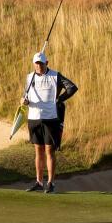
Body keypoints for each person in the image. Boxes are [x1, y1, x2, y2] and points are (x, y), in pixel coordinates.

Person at [22, 52, 78, 194]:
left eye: (41, 63)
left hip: (50, 119)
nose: (38, 66)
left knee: (49, 151)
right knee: (38, 151)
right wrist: (24, 101)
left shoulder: (55, 76)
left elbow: (72, 87)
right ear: (34, 63)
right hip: (34, 118)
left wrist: (59, 99)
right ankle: (39, 182)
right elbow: (26, 96)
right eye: (36, 63)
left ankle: (51, 183)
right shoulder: (30, 77)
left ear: (47, 62)